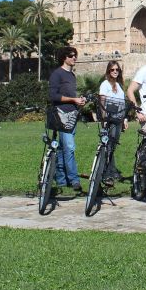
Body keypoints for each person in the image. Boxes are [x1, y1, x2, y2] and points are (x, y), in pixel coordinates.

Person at [49, 46, 88, 193]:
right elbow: (53, 96)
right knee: (70, 148)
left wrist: (79, 100)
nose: (74, 58)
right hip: (61, 116)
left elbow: (72, 97)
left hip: (72, 116)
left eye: (75, 55)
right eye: (71, 56)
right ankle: (74, 180)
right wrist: (73, 99)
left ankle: (60, 179)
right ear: (64, 57)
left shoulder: (72, 76)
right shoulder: (57, 74)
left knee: (62, 148)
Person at [98, 60, 127, 185]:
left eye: (117, 70)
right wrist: (103, 119)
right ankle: (106, 172)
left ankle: (112, 170)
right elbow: (102, 102)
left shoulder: (119, 85)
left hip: (118, 119)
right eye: (112, 70)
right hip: (109, 119)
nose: (115, 72)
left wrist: (125, 119)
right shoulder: (105, 84)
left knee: (113, 145)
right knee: (108, 145)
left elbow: (123, 104)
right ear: (108, 71)